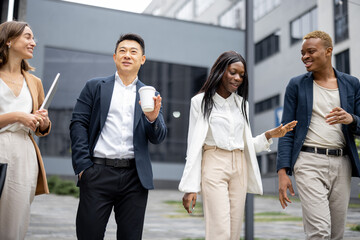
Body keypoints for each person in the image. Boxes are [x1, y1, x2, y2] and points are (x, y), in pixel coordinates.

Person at [179, 51, 297, 240]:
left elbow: (245, 144)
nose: (238, 78)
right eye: (233, 72)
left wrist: (269, 135)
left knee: (234, 231)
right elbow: (193, 146)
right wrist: (190, 187)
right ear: (220, 71)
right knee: (220, 230)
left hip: (239, 165)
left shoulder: (242, 104)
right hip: (213, 163)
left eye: (241, 75)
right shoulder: (200, 102)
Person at [70, 33, 167, 240]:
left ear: (142, 59)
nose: (127, 55)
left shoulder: (149, 93)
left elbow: (159, 137)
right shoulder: (95, 86)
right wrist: (83, 168)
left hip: (135, 177)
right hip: (97, 173)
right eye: (122, 51)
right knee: (89, 235)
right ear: (114, 57)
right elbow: (78, 123)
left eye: (133, 52)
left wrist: (152, 119)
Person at [277, 30, 360, 239]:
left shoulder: (352, 83)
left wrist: (351, 119)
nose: (305, 56)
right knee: (319, 231)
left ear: (328, 51)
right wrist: (282, 172)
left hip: (342, 163)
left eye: (310, 51)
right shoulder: (296, 84)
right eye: (302, 52)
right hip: (308, 161)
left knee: (336, 233)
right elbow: (287, 130)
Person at [0, 21, 51, 239]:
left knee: (15, 220)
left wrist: (43, 121)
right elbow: (20, 116)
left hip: (23, 152)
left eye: (33, 38)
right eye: (28, 37)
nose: (34, 42)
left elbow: (42, 128)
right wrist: (17, 116)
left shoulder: (34, 81)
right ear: (9, 40)